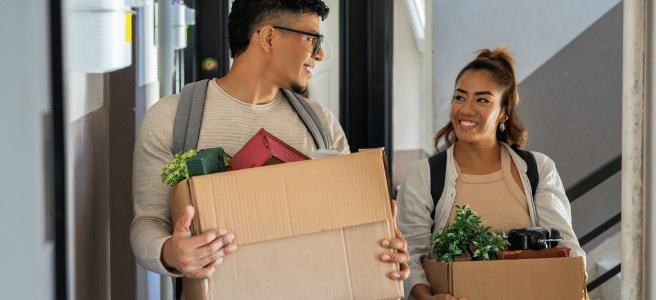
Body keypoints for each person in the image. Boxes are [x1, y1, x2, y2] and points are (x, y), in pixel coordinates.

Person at [130, 0, 409, 286]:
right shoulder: (172, 118)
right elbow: (147, 225)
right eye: (312, 40)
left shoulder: (322, 124)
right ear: (268, 37)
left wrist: (382, 245)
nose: (320, 54)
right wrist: (170, 254)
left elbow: (348, 223)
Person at [396, 47, 585, 300]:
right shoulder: (423, 176)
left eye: (482, 100)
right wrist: (428, 299)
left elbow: (567, 251)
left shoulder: (538, 170)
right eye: (460, 97)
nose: (466, 109)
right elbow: (410, 260)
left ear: (504, 112)